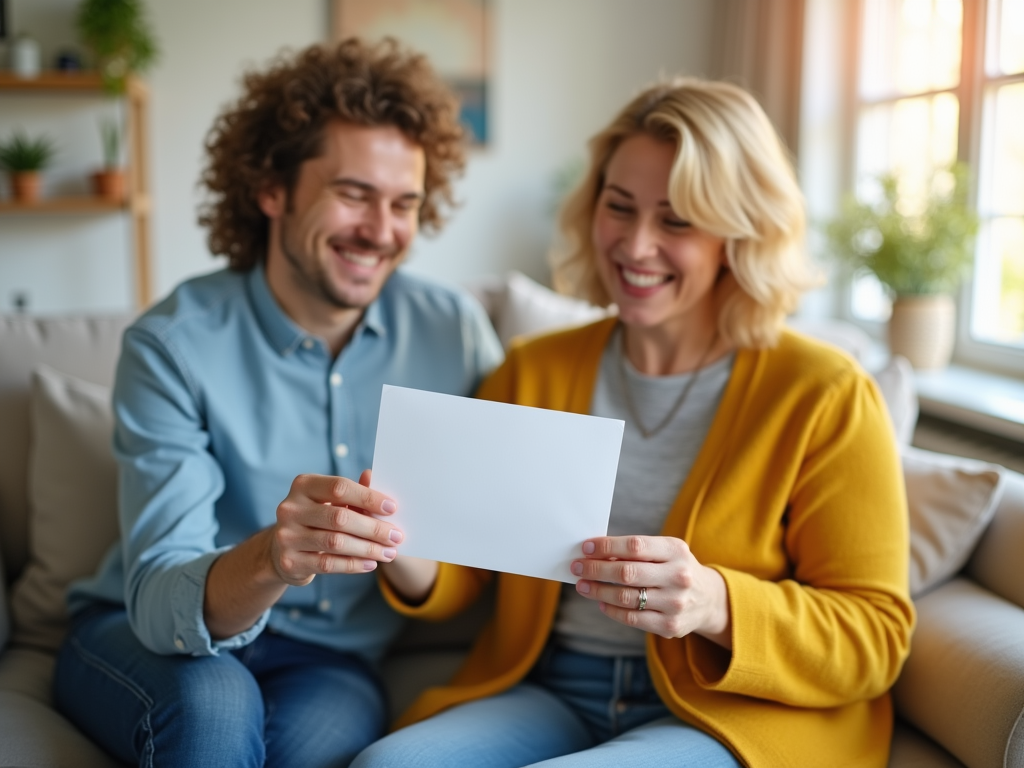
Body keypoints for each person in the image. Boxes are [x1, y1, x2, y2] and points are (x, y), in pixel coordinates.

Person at [352, 78, 916, 768]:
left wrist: (715, 603)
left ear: (740, 235)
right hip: (554, 689)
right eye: (618, 208)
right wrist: (403, 548)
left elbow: (876, 638)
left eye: (676, 221)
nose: (636, 245)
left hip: (725, 710)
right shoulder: (534, 370)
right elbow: (470, 574)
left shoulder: (824, 393)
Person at [53, 38, 502, 768]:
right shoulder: (172, 345)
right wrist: (272, 557)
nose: (381, 231)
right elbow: (162, 597)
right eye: (353, 194)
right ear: (271, 189)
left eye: (404, 204)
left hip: (329, 662)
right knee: (215, 708)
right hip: (144, 638)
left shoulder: (455, 335)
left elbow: (498, 524)